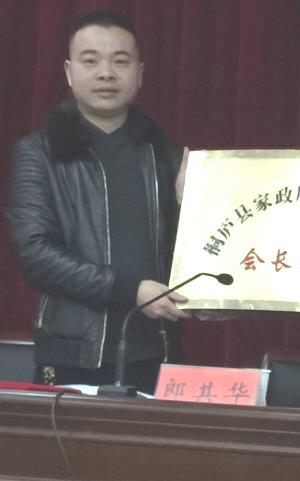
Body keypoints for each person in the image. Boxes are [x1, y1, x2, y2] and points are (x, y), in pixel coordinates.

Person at [7, 10, 190, 393]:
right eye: (90, 61)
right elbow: (35, 254)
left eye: (120, 61)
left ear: (139, 73)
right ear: (69, 72)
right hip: (73, 354)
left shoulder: (163, 153)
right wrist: (131, 290)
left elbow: (189, 253)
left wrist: (192, 209)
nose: (106, 73)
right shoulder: (39, 153)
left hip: (156, 350)